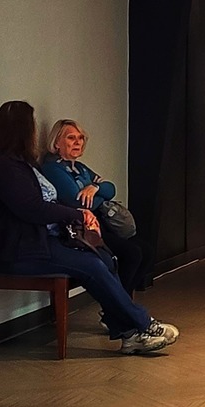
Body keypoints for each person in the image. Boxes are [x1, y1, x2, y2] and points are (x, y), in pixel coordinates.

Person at [0, 100, 177, 355]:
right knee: (92, 264)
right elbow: (33, 208)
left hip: (34, 241)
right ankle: (142, 324)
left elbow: (106, 188)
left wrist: (88, 201)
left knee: (103, 257)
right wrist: (78, 214)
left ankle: (128, 332)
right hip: (19, 249)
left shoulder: (21, 164)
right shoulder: (6, 167)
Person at [40, 118, 147, 293]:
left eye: (80, 138)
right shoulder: (52, 168)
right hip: (79, 227)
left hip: (101, 221)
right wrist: (98, 193)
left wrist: (94, 188)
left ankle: (122, 302)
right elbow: (78, 201)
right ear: (57, 143)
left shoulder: (81, 168)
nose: (77, 142)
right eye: (71, 138)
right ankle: (118, 305)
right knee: (132, 253)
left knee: (146, 250)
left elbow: (111, 189)